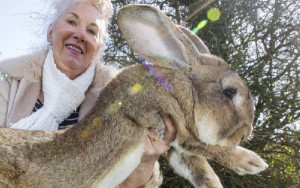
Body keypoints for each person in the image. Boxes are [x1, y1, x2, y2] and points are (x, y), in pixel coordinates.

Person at [0, 0, 177, 187]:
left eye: (92, 31)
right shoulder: (11, 87)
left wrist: (144, 164)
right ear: (50, 32)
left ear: (98, 48)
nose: (80, 35)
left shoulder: (118, 103)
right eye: (72, 22)